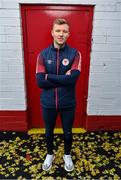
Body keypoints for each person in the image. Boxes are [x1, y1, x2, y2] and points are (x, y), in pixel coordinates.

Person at [36, 18, 81, 172]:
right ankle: (50, 154)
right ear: (52, 33)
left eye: (64, 31)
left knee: (68, 133)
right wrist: (64, 79)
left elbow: (73, 78)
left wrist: (49, 76)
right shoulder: (42, 55)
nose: (61, 34)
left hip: (67, 103)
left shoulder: (75, 54)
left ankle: (67, 155)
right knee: (48, 132)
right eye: (58, 31)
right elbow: (40, 82)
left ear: (68, 34)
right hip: (48, 103)